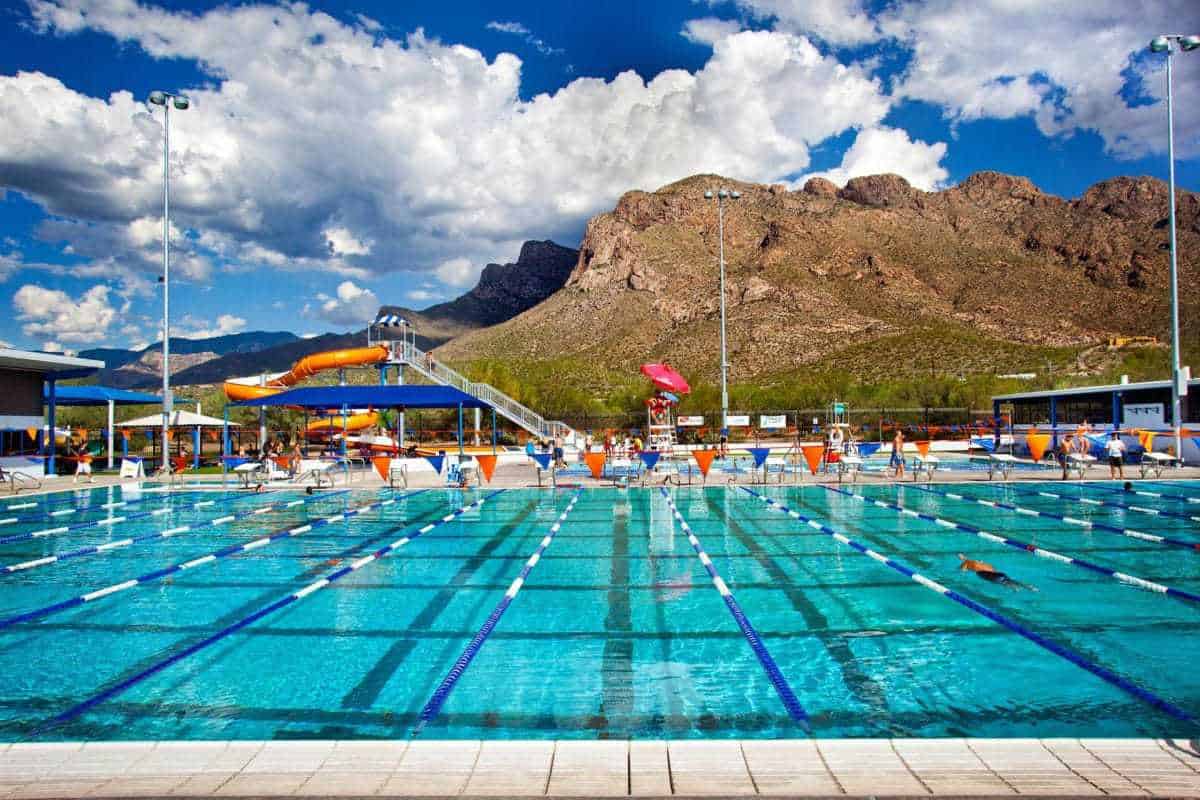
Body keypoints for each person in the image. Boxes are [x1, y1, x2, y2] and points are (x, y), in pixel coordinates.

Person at [958, 554, 1035, 591]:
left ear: (962, 559)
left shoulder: (966, 563)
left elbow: (963, 572)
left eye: (961, 557)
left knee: (1003, 582)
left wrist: (961, 569)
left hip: (984, 573)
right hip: (998, 573)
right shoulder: (976, 561)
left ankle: (1015, 587)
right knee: (1009, 580)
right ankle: (1028, 587)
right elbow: (991, 567)